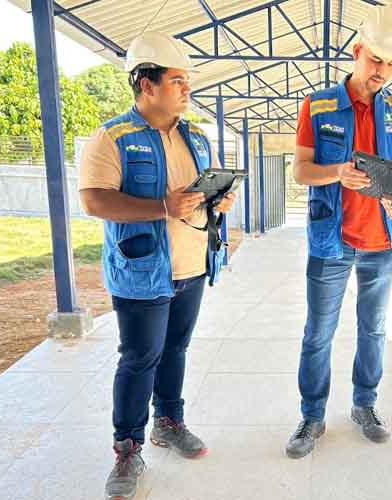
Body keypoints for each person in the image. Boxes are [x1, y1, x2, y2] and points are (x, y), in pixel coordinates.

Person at [77, 32, 235, 500]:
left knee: (175, 349)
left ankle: (169, 421)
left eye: (188, 81)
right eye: (177, 80)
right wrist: (161, 207)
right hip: (142, 271)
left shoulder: (197, 137)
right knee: (139, 357)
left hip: (191, 265)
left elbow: (200, 196)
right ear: (147, 85)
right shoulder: (113, 138)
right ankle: (127, 448)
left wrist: (217, 201)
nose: (187, 89)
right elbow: (94, 200)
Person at [284, 3, 392, 459]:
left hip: (382, 240)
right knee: (319, 331)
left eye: (391, 64)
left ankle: (365, 405)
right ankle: (312, 415)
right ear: (357, 51)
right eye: (376, 59)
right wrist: (337, 172)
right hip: (332, 240)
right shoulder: (318, 106)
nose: (382, 71)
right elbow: (301, 171)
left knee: (373, 329)